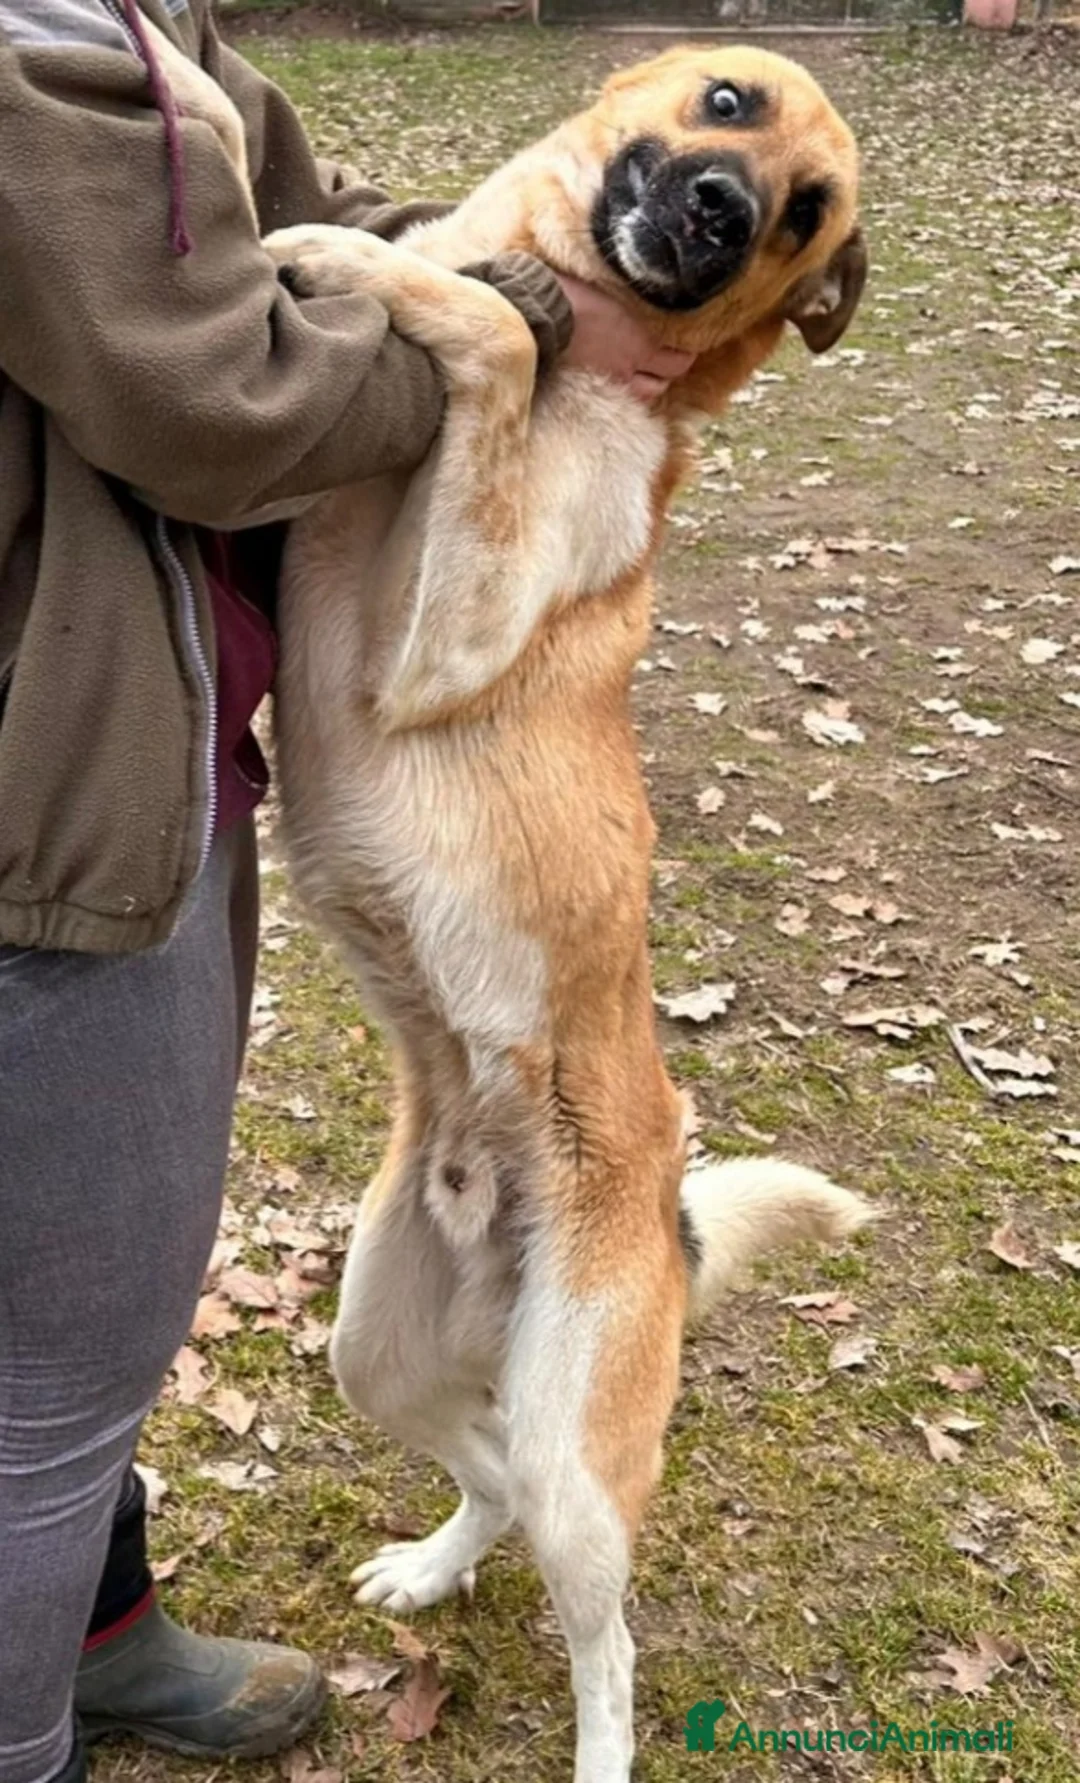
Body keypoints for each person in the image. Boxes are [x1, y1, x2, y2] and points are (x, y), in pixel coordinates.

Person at [0, 6, 695, 1783]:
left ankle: (104, 1625)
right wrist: (530, 327)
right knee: (59, 1366)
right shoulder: (31, 52)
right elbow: (220, 407)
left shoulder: (134, 19)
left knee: (102, 1321)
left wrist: (502, 295)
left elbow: (343, 215)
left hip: (151, 749)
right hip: (42, 791)